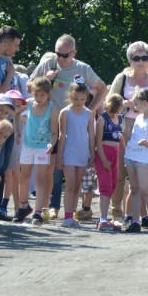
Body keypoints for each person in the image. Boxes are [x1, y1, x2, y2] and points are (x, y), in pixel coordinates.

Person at [108, 41, 148, 221]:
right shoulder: (121, 78)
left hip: (147, 127)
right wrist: (125, 104)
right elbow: (110, 104)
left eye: (144, 57)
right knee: (121, 171)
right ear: (130, 60)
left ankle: (141, 214)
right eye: (136, 58)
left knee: (143, 171)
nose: (140, 61)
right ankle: (117, 212)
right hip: (124, 125)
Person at [122, 88, 148, 233]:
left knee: (145, 190)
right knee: (134, 189)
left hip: (142, 159)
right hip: (131, 156)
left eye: (137, 104)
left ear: (145, 103)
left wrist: (145, 143)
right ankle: (135, 221)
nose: (135, 107)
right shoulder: (139, 117)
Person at [30, 35, 107, 113]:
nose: (60, 58)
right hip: (48, 120)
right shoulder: (47, 64)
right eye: (58, 54)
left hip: (71, 121)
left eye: (65, 55)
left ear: (74, 53)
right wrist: (44, 80)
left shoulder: (83, 69)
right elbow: (28, 87)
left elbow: (103, 89)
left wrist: (89, 112)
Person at [18, 77, 58, 226]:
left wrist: (51, 145)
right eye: (36, 94)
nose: (39, 98)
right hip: (28, 145)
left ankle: (38, 212)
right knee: (23, 177)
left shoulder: (52, 109)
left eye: (42, 94)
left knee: (40, 179)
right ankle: (23, 206)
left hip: (42, 147)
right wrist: (17, 132)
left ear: (48, 94)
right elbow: (15, 113)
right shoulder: (28, 104)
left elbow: (54, 132)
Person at [57, 80, 95, 228]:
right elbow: (62, 135)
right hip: (69, 151)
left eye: (82, 99)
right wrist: (59, 156)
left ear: (86, 98)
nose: (79, 102)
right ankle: (67, 216)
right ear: (70, 97)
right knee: (70, 185)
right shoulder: (65, 112)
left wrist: (92, 154)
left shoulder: (89, 114)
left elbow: (91, 135)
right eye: (75, 99)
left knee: (77, 185)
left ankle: (71, 216)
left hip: (82, 151)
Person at [93, 94, 125, 231]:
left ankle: (107, 217)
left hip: (115, 153)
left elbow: (121, 137)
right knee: (105, 186)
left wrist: (126, 154)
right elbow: (98, 142)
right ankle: (103, 219)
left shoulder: (119, 118)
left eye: (116, 111)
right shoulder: (102, 119)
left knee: (113, 184)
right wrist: (104, 160)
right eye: (112, 110)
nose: (114, 113)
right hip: (104, 153)